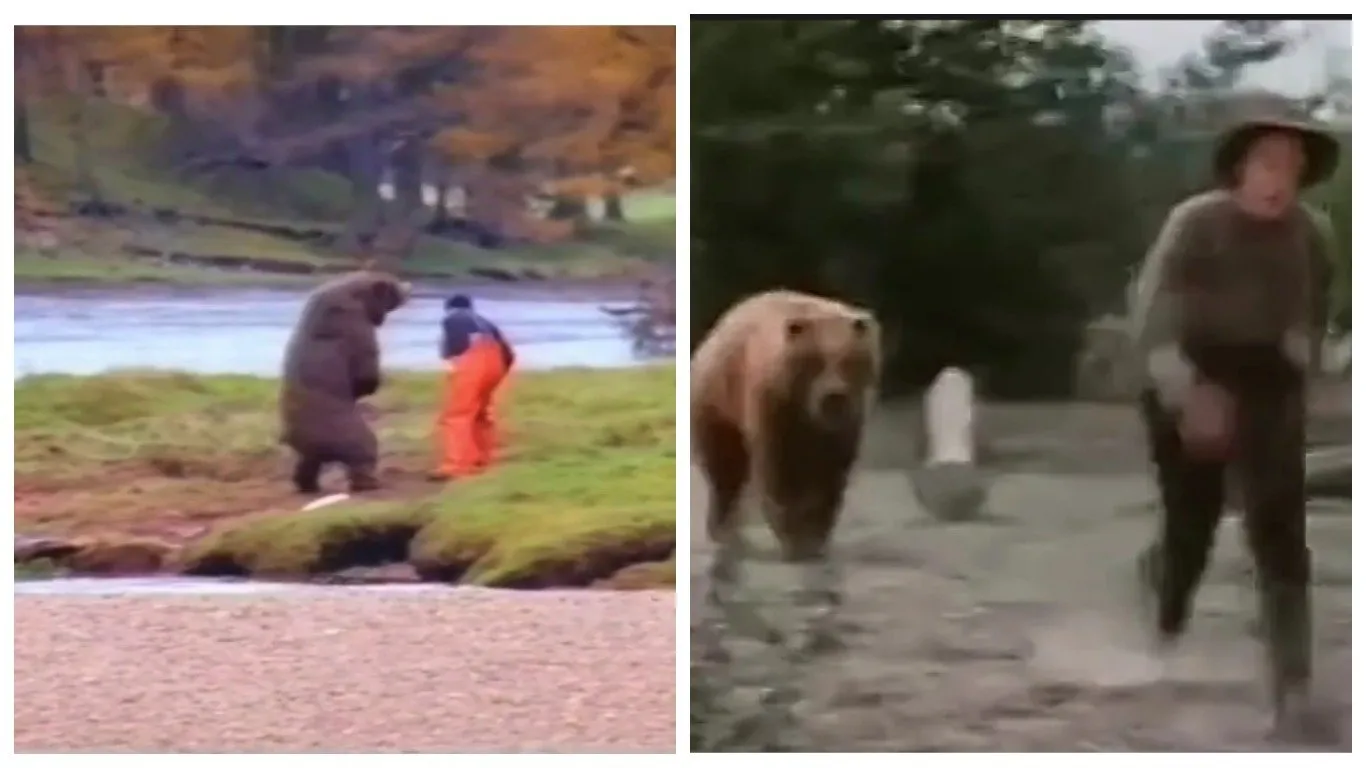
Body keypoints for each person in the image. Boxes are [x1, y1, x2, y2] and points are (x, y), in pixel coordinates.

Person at [1126, 114, 1337, 739]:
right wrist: (1189, 394)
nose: (1281, 178)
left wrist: (1305, 365)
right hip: (1188, 368)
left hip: (1268, 377)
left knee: (1279, 530)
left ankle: (1292, 687)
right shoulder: (1195, 223)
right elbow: (1153, 325)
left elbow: (1315, 318)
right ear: (1241, 168)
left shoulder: (1313, 234)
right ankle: (1164, 596)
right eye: (1269, 162)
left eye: (1293, 166)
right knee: (1193, 525)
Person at [432, 293, 515, 480]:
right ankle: (482, 458)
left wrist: (455, 364)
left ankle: (457, 465)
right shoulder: (485, 322)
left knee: (457, 415)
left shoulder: (452, 318)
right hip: (496, 364)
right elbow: (509, 354)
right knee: (480, 413)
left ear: (449, 307)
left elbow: (452, 347)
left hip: (473, 362)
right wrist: (497, 376)